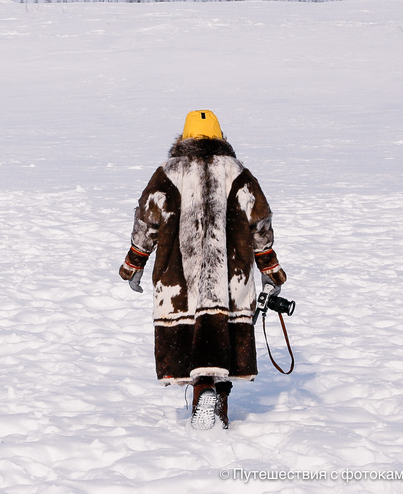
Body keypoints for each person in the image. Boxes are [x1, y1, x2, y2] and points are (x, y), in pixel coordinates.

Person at [118, 109, 287, 430]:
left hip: (179, 280)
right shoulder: (238, 174)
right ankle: (218, 403)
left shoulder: (167, 173)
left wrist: (133, 265)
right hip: (230, 277)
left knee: (190, 334)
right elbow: (260, 226)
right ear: (220, 138)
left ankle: (201, 392)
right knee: (223, 334)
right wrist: (271, 270)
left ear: (184, 138)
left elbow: (146, 223)